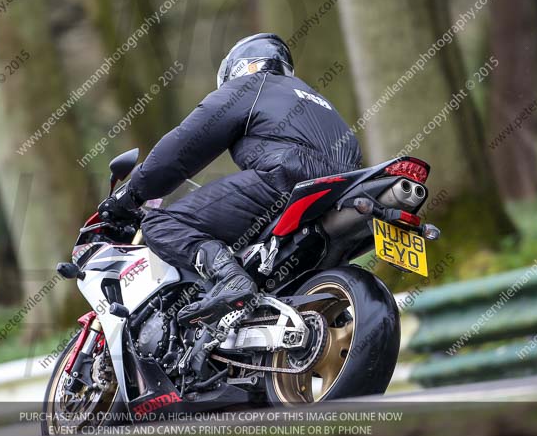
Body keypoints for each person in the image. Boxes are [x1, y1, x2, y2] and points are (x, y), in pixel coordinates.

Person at [99, 33, 361, 325]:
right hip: (342, 193)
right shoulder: (319, 101)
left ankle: (229, 279)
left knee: (161, 223)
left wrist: (132, 194)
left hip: (285, 182)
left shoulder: (250, 87)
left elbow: (184, 146)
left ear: (238, 68)